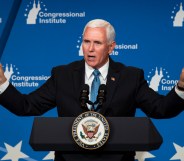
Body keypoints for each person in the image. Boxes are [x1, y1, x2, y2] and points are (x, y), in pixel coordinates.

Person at [0, 19, 184, 161]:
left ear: (111, 47)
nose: (90, 49)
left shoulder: (131, 77)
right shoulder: (62, 74)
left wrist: (182, 87)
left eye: (97, 43)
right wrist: (1, 83)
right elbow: (26, 106)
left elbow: (161, 108)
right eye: (86, 41)